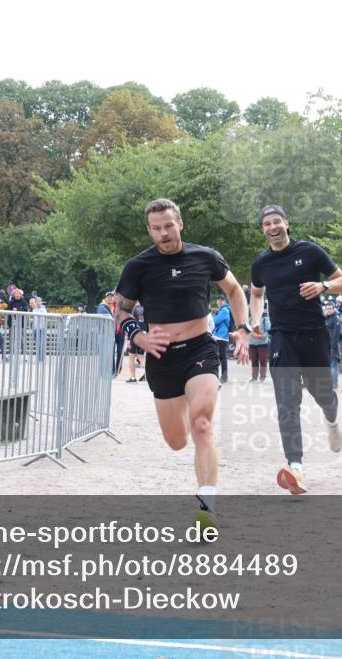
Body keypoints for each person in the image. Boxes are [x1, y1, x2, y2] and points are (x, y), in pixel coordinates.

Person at [115, 198, 250, 523]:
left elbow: (234, 290)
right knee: (177, 441)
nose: (163, 233)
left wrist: (242, 328)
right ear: (149, 230)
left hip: (200, 350)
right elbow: (121, 310)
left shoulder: (205, 256)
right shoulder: (138, 266)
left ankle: (207, 508)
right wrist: (139, 336)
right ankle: (186, 417)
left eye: (168, 226)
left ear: (180, 224)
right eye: (156, 229)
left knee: (202, 425)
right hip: (161, 358)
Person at [248, 204, 342, 495]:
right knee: (287, 402)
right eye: (267, 224)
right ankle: (296, 468)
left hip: (314, 335)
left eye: (276, 221)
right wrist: (255, 320)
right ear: (264, 229)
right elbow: (256, 293)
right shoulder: (261, 263)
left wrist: (323, 286)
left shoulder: (310, 251)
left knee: (323, 395)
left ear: (287, 223)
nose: (272, 227)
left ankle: (331, 420)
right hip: (282, 337)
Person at [97, 291, 126, 375]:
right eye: (110, 296)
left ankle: (117, 370)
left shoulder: (121, 305)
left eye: (113, 296)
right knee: (110, 351)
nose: (112, 297)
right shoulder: (105, 306)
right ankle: (111, 370)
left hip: (120, 331)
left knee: (120, 352)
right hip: (110, 332)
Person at [211, 296, 232, 383]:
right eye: (218, 300)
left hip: (222, 337)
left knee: (222, 358)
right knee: (220, 357)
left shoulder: (224, 310)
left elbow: (214, 322)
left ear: (224, 301)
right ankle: (221, 376)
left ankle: (224, 377)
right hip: (219, 337)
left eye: (221, 300)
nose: (219, 302)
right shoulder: (221, 310)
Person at [125, 304, 148, 382]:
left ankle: (133, 377)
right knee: (140, 355)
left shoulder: (135, 309)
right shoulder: (148, 308)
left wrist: (128, 338)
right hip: (145, 334)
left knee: (132, 356)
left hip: (135, 334)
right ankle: (147, 375)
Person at [248, 308, 271, 382]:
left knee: (263, 361)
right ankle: (254, 377)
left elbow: (268, 329)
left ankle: (262, 377)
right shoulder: (250, 318)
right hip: (252, 343)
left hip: (262, 343)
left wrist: (262, 336)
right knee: (254, 361)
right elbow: (248, 329)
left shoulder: (265, 317)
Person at [325, 303, 342, 390]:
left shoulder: (336, 319)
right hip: (325, 346)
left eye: (330, 308)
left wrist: (332, 346)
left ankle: (334, 384)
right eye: (327, 308)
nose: (328, 310)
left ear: (333, 309)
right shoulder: (325, 318)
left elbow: (336, 334)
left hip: (333, 346)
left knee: (334, 366)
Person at [31, 297, 48, 362]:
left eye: (39, 301)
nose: (38, 303)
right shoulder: (34, 310)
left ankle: (41, 358)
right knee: (37, 343)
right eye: (37, 301)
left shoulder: (43, 309)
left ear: (41, 302)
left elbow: (44, 318)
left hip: (41, 328)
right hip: (35, 328)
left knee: (41, 343)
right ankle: (39, 357)